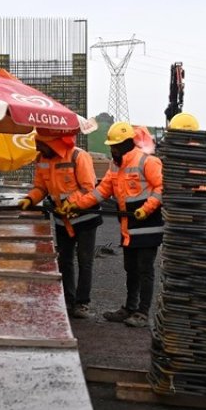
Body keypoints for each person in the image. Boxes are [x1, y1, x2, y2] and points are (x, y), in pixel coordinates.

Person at [63, 121, 164, 328]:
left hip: (148, 226)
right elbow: (100, 192)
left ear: (127, 143)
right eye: (111, 146)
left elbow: (161, 187)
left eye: (115, 145)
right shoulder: (115, 167)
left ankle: (142, 313)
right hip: (128, 227)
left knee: (145, 270)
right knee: (130, 269)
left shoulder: (148, 162)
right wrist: (76, 205)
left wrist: (147, 208)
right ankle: (129, 308)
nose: (112, 149)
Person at [19, 130, 101, 318]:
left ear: (52, 143)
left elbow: (88, 187)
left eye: (40, 144)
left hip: (84, 217)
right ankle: (67, 300)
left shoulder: (79, 156)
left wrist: (71, 203)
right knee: (64, 260)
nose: (37, 147)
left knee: (84, 260)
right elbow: (41, 187)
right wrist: (30, 199)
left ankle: (82, 303)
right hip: (62, 219)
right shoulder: (42, 159)